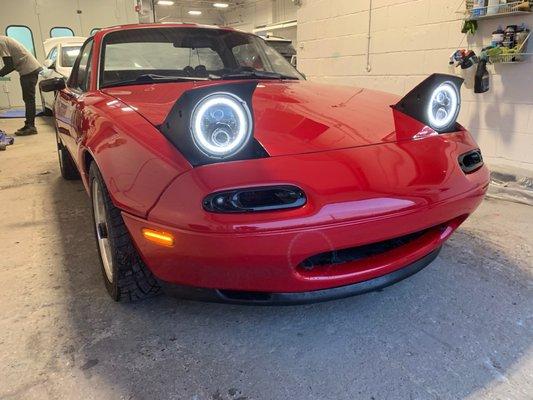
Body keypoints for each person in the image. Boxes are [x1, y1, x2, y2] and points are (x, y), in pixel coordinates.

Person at [0, 35, 42, 136]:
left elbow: (10, 65)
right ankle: (28, 125)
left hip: (29, 70)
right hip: (28, 70)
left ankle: (31, 127)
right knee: (28, 99)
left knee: (29, 99)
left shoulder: (1, 42)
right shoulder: (3, 39)